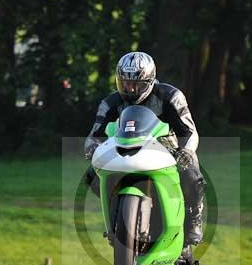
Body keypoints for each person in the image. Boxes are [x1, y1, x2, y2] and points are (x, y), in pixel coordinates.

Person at [84, 51, 206, 247]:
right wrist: (92, 147)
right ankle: (116, 216)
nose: (130, 89)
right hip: (124, 149)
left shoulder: (171, 96)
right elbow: (94, 133)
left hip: (167, 151)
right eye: (124, 83)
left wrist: (186, 151)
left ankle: (194, 218)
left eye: (136, 85)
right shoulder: (110, 102)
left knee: (192, 173)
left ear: (150, 81)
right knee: (91, 175)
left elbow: (190, 132)